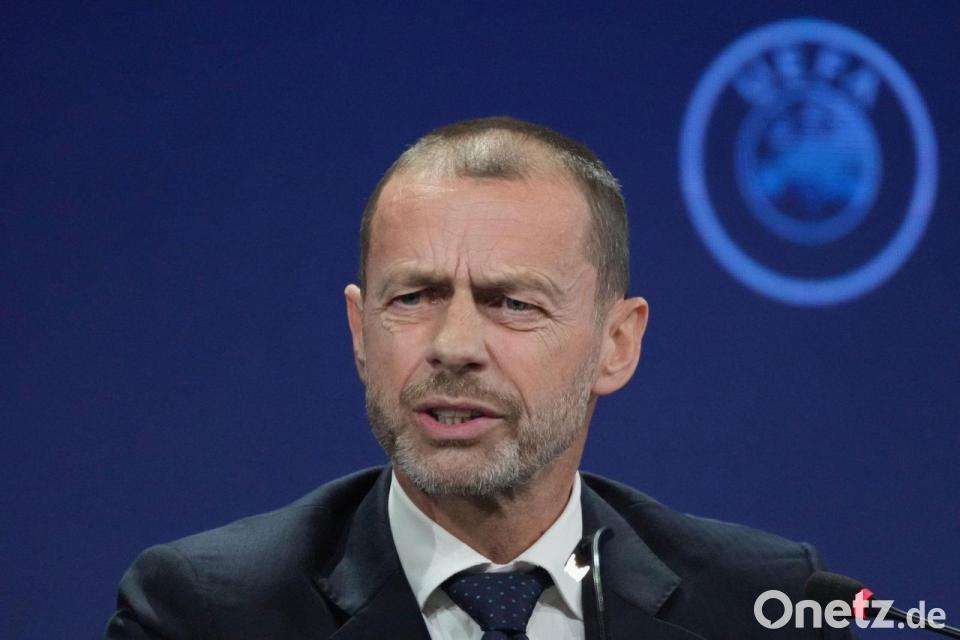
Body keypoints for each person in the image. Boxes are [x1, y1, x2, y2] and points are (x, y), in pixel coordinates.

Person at [106, 117, 852, 639]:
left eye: (512, 303)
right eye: (413, 297)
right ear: (360, 332)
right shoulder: (205, 613)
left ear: (616, 344)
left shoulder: (767, 607)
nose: (453, 346)